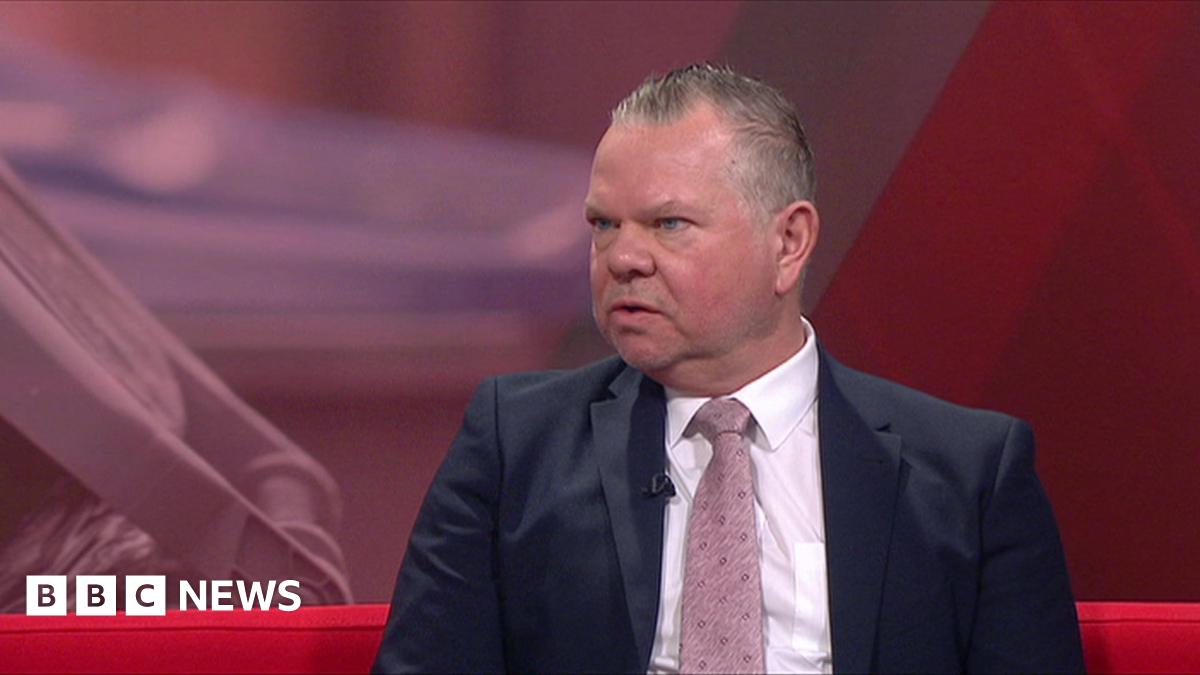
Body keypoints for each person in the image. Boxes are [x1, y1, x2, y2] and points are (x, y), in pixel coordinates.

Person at [372, 63, 1083, 674]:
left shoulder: (968, 475)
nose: (624, 258)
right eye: (604, 224)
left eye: (668, 224)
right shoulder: (516, 444)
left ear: (789, 242)